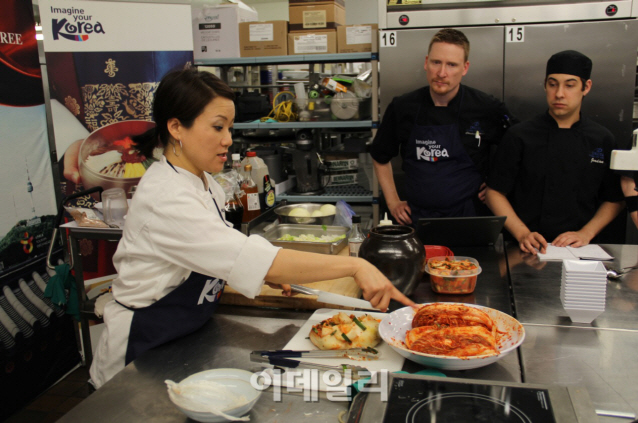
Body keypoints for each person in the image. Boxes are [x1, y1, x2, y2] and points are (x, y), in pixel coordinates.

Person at [89, 68, 414, 389]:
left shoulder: (202, 183)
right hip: (138, 355)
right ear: (176, 127)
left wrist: (265, 272)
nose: (228, 139)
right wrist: (356, 265)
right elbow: (246, 254)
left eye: (230, 127)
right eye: (217, 127)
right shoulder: (165, 196)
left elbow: (210, 250)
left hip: (178, 338)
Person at [370, 28, 515, 225]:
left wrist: (495, 184)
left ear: (465, 68)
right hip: (416, 220)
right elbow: (380, 156)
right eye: (436, 62)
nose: (441, 73)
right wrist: (393, 201)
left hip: (471, 218)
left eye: (452, 65)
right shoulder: (403, 107)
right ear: (426, 62)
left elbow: (517, 148)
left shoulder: (486, 107)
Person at [486, 50, 625, 254]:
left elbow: (614, 198)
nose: (559, 93)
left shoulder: (602, 139)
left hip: (581, 250)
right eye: (553, 84)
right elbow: (494, 192)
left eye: (569, 85)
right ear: (545, 85)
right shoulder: (520, 136)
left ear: (586, 87)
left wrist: (586, 233)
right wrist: (522, 233)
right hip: (525, 249)